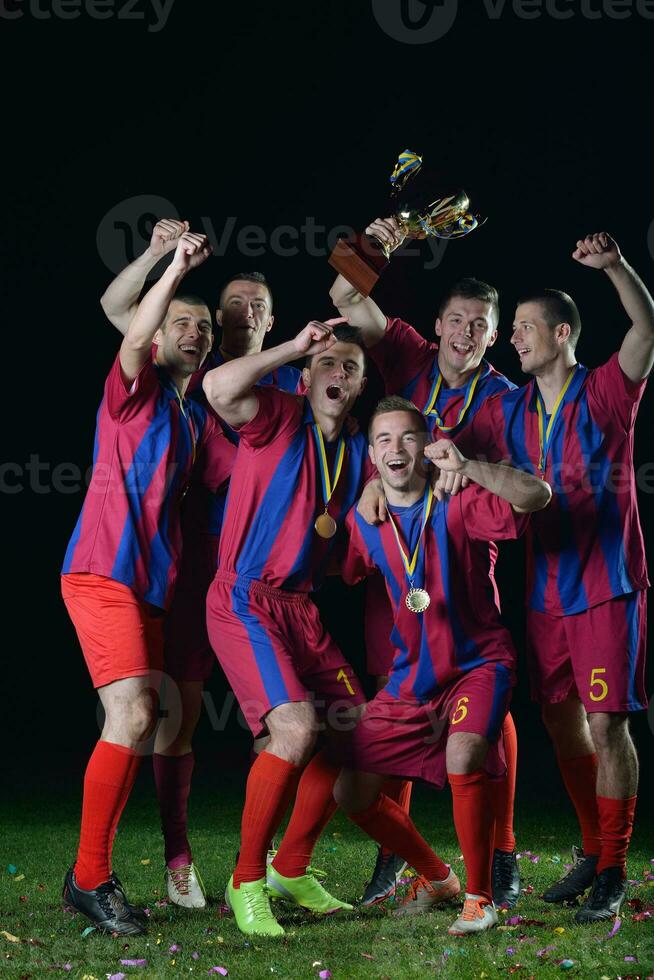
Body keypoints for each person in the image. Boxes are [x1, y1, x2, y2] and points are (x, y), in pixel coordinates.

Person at [100, 218, 301, 908]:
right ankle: (177, 857)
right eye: (232, 306)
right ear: (211, 324)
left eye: (258, 306)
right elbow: (118, 314)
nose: (245, 314)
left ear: (274, 321)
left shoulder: (292, 387)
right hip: (184, 578)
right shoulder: (185, 387)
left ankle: (264, 860)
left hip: (265, 583)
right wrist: (162, 255)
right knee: (172, 720)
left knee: (287, 721)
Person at [457, 232, 652, 923]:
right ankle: (595, 850)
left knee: (607, 726)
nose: (513, 339)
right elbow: (445, 431)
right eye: (509, 330)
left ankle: (615, 871)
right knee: (562, 723)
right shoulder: (507, 407)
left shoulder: (605, 390)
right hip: (544, 592)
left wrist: (616, 266)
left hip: (605, 586)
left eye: (523, 329)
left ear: (562, 332)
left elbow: (646, 329)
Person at [330, 220, 521, 909]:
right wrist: (378, 240)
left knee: (478, 681)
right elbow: (345, 299)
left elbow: (524, 480)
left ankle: (499, 855)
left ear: (494, 336)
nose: (467, 333)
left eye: (482, 324)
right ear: (437, 326)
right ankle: (398, 846)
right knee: (398, 683)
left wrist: (467, 470)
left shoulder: (505, 398)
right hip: (394, 549)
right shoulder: (409, 356)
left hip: (461, 549)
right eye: (458, 320)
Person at [61, 232, 235, 934]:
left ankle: (111, 871)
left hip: (152, 591)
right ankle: (89, 878)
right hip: (101, 573)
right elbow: (123, 318)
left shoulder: (194, 413)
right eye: (180, 324)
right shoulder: (132, 390)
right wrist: (171, 265)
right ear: (159, 335)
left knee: (152, 723)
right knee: (131, 715)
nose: (194, 335)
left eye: (204, 327)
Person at [332, 396, 550, 935]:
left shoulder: (461, 500)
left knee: (464, 753)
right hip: (411, 679)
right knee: (351, 792)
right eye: (383, 440)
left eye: (408, 437)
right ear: (372, 456)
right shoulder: (365, 519)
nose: (395, 448)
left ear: (426, 447)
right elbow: (351, 569)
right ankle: (437, 877)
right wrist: (360, 497)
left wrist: (466, 467)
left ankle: (480, 898)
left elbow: (537, 495)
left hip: (479, 663)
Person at [202, 320, 374, 937]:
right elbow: (219, 387)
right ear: (305, 377)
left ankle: (291, 869)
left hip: (301, 608)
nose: (339, 374)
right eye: (328, 364)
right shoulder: (276, 412)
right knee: (296, 730)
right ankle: (247, 879)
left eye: (351, 368)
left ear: (359, 387)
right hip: (244, 597)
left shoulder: (359, 451)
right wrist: (297, 345)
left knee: (357, 733)